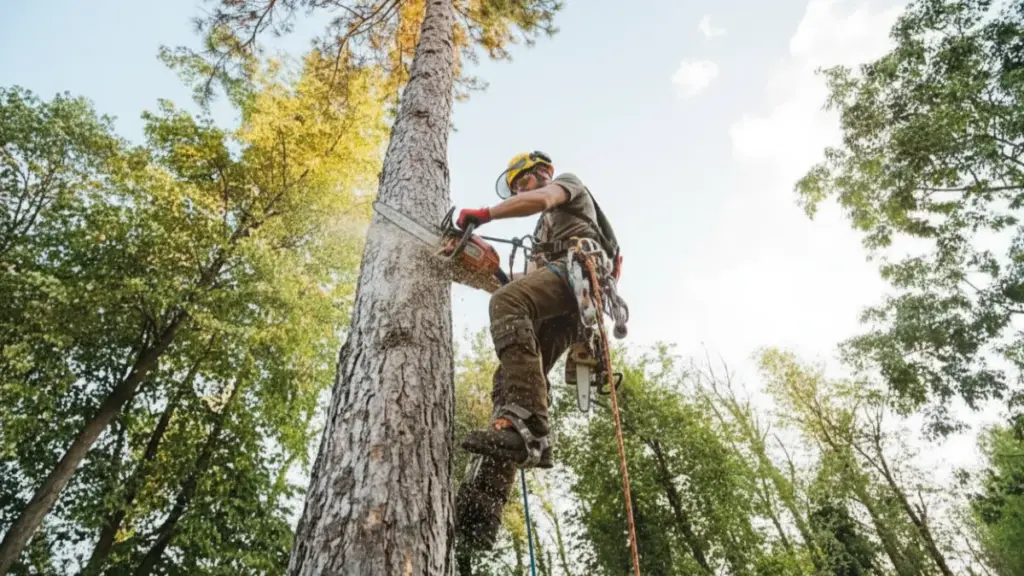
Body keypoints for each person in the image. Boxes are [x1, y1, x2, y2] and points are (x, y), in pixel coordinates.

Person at [455, 150, 607, 469]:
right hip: (560, 297)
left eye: (524, 181)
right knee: (506, 381)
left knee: (507, 301)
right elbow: (524, 282)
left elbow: (541, 199)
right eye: (516, 189)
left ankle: (532, 423)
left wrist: (485, 214)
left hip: (579, 275)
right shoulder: (541, 235)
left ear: (543, 173)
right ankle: (487, 499)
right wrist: (479, 271)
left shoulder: (566, 185)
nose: (522, 191)